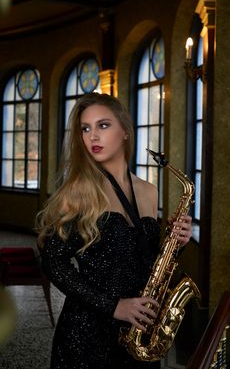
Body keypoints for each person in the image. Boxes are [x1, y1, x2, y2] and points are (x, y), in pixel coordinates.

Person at [36, 92, 192, 369]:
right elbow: (53, 261)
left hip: (138, 333)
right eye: (86, 128)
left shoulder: (148, 191)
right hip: (87, 335)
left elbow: (144, 259)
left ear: (124, 132)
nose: (92, 136)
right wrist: (114, 306)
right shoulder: (78, 191)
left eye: (103, 125)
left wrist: (175, 241)